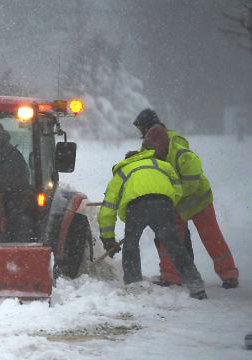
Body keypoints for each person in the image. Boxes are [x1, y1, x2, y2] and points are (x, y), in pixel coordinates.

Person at [134, 110, 239, 289]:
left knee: (212, 236)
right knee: (169, 239)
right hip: (173, 203)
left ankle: (229, 274)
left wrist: (172, 196)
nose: (142, 134)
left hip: (198, 201)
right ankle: (171, 276)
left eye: (142, 129)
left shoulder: (179, 149)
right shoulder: (147, 147)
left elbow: (192, 182)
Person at [98, 148, 207, 299]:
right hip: (163, 204)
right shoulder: (162, 165)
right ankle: (196, 285)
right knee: (174, 245)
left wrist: (108, 239)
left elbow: (108, 209)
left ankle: (133, 284)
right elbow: (177, 189)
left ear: (127, 160)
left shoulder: (122, 172)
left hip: (136, 208)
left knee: (131, 246)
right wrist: (166, 205)